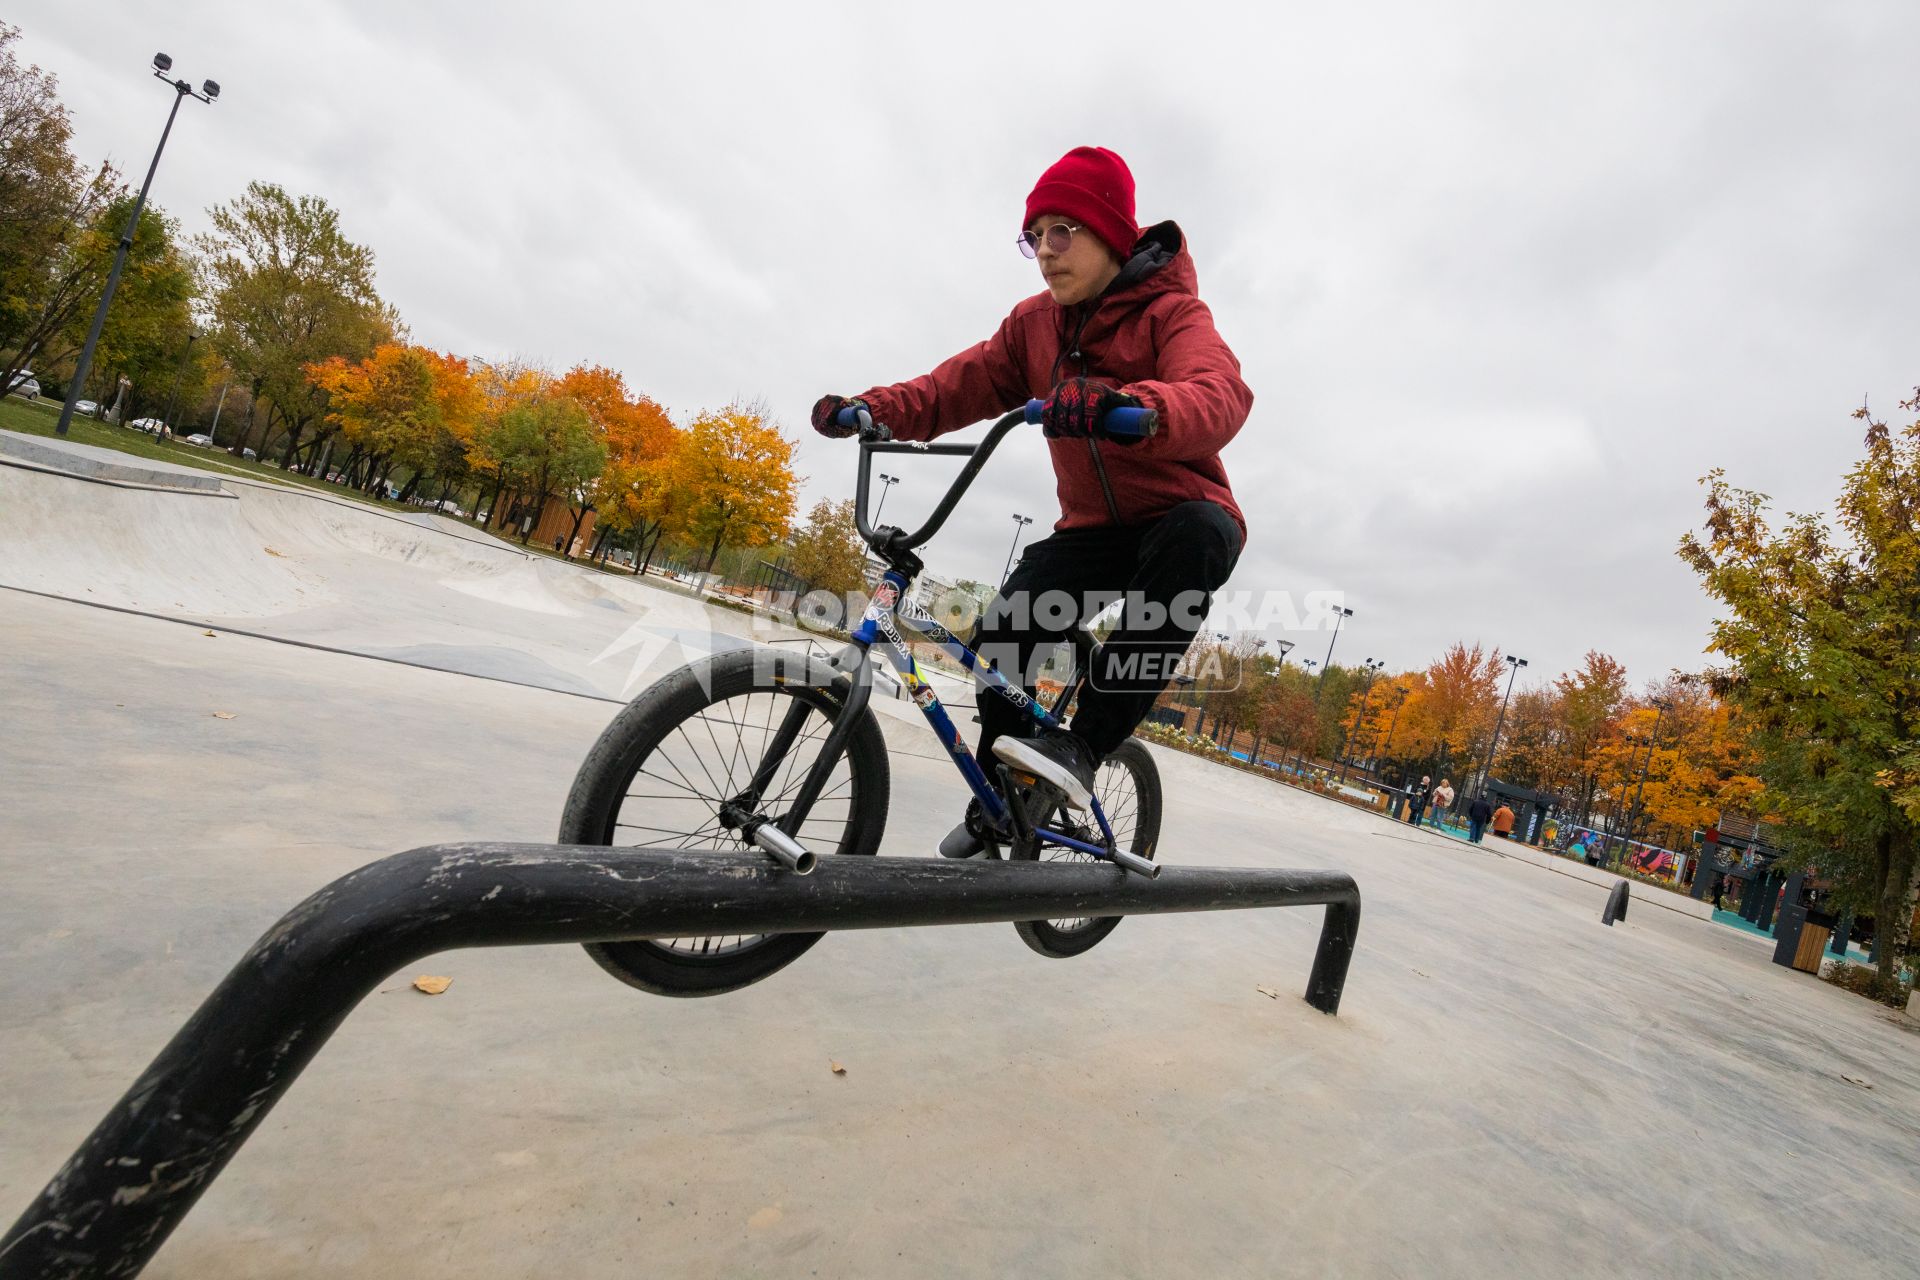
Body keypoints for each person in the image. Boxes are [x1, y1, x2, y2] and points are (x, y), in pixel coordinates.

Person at [810, 147, 1252, 856]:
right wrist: (873, 408)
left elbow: (1218, 391)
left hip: (1179, 519)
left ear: (1112, 236)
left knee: (1195, 536)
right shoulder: (1032, 326)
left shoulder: (1173, 313)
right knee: (1001, 641)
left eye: (1063, 232)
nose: (1046, 252)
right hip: (1093, 532)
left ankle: (1085, 748)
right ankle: (1006, 803)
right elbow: (955, 386)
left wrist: (1132, 404)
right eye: (1035, 236)